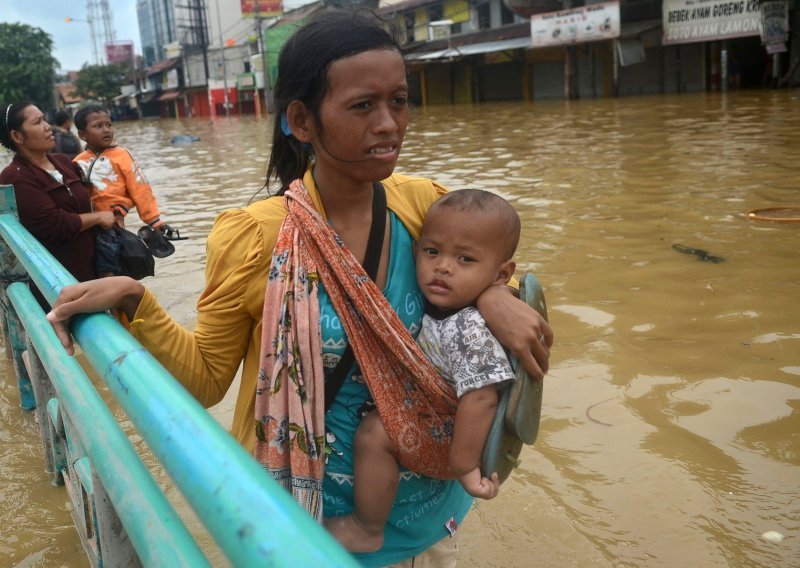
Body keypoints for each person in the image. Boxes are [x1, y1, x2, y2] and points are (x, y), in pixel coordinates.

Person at [46, 10, 552, 567]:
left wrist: (494, 298)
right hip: (308, 529)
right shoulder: (255, 237)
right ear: (302, 121)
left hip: (429, 509)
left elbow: (483, 268)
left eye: (399, 101)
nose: (389, 124)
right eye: (363, 106)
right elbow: (208, 378)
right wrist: (134, 300)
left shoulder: (425, 206)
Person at [326, 189, 521, 553]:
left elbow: (482, 397)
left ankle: (367, 528)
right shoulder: (445, 306)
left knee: (374, 435)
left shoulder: (467, 329)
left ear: (501, 274)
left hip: (453, 431)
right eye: (433, 252)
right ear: (415, 252)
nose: (444, 266)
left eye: (465, 259)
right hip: (442, 413)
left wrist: (464, 466)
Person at [0, 101, 115, 300]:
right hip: (58, 284)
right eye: (37, 122)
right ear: (17, 136)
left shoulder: (62, 161)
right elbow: (55, 224)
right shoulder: (15, 177)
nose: (48, 127)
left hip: (93, 270)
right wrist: (97, 218)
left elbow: (90, 196)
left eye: (45, 119)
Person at [73, 104, 177, 276]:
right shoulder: (77, 162)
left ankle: (113, 297)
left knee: (109, 267)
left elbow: (140, 188)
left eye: (109, 124)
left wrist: (154, 221)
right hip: (87, 224)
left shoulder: (122, 155)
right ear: (83, 135)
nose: (106, 130)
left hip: (111, 225)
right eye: (98, 126)